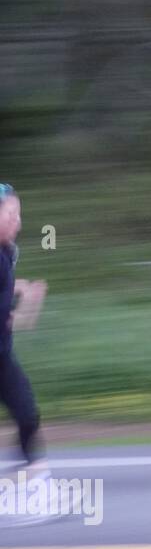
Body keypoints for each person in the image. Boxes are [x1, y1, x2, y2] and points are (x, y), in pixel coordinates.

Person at [0, 183, 52, 526]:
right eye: (12, 214)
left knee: (27, 412)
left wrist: (22, 293)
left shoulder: (7, 253)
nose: (19, 221)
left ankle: (37, 485)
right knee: (26, 411)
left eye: (19, 214)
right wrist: (22, 306)